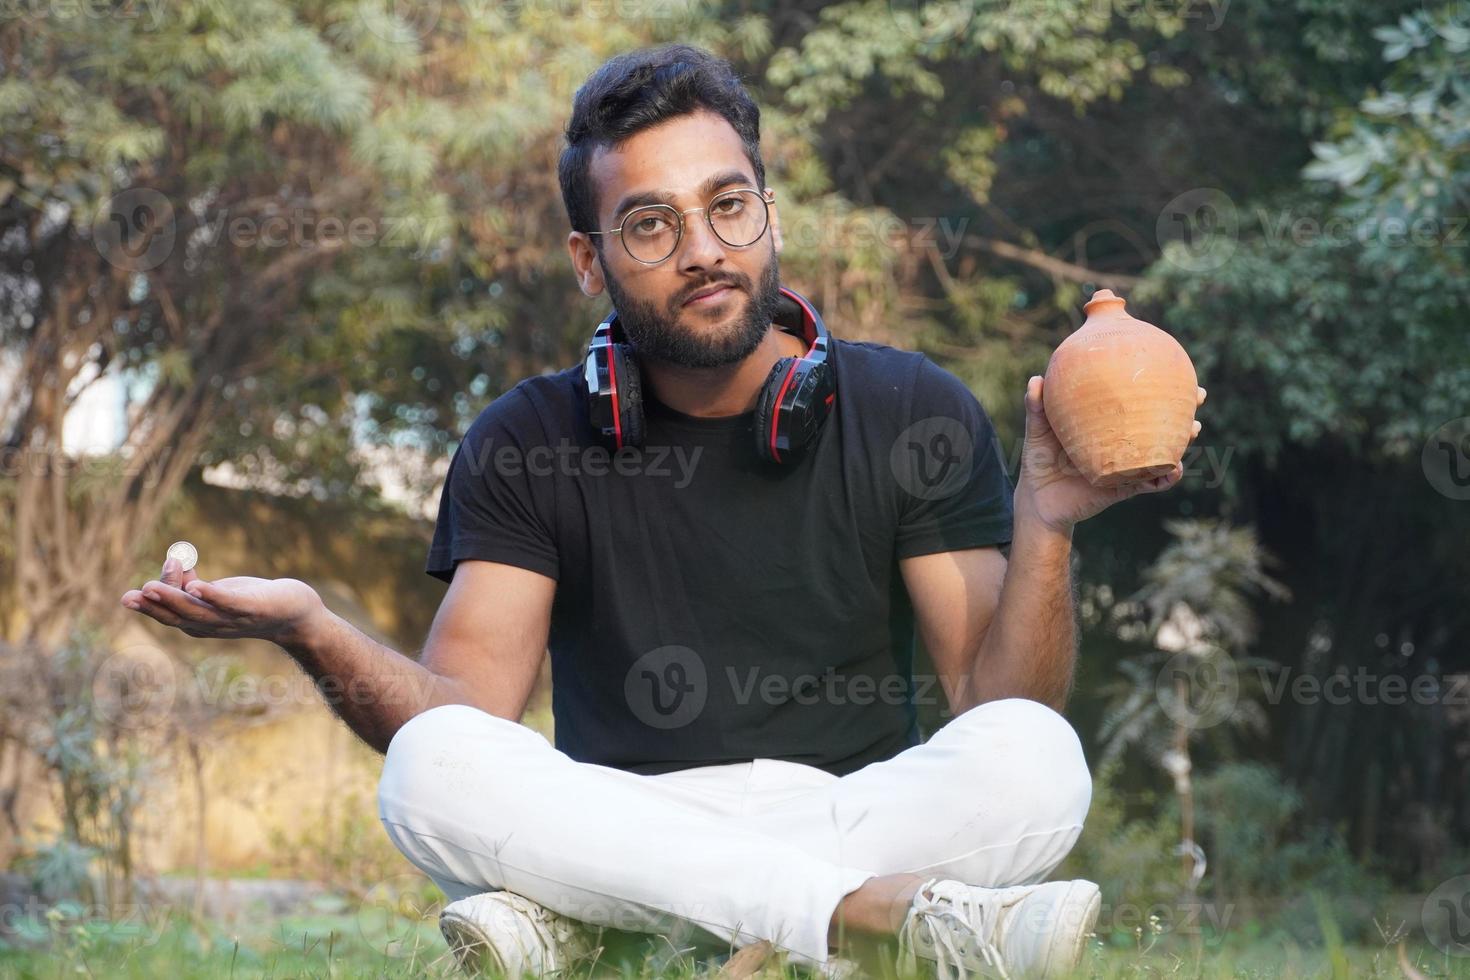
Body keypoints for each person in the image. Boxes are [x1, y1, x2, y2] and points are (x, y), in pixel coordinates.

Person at [121, 43, 1205, 980]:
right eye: (649, 225)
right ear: (590, 258)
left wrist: (1047, 521)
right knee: (428, 766)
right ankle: (864, 917)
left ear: (767, 211)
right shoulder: (526, 436)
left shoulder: (910, 406)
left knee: (1038, 752)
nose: (702, 248)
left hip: (858, 812)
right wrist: (312, 627)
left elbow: (992, 704)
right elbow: (466, 716)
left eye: (727, 205)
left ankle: (600, 925)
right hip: (624, 816)